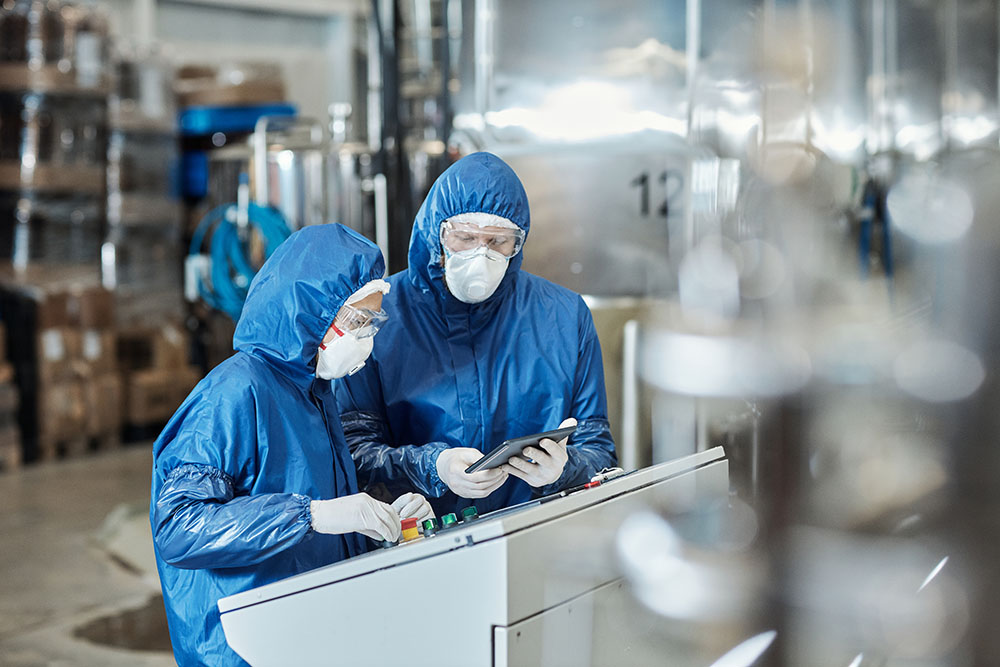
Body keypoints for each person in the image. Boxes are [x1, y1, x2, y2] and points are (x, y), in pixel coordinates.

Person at [149, 224, 433, 666]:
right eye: (358, 321)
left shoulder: (314, 393)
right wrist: (311, 514)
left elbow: (322, 520)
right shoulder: (234, 392)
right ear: (312, 311)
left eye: (373, 323)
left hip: (303, 631)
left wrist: (383, 524)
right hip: (242, 647)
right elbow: (179, 526)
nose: (367, 337)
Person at [336, 152, 617, 518]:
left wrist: (564, 470)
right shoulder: (382, 316)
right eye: (465, 237)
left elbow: (599, 453)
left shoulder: (564, 317)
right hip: (419, 545)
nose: (480, 255)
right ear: (436, 232)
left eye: (498, 242)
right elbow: (350, 452)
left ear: (519, 243)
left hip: (534, 535)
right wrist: (433, 466)